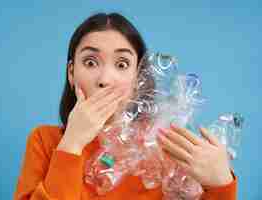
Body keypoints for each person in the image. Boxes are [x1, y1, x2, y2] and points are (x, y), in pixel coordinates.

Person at [14, 12, 237, 200]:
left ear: (138, 77)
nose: (105, 79)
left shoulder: (163, 146)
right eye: (90, 62)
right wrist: (72, 143)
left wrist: (221, 184)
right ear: (71, 73)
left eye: (121, 64)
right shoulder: (45, 141)